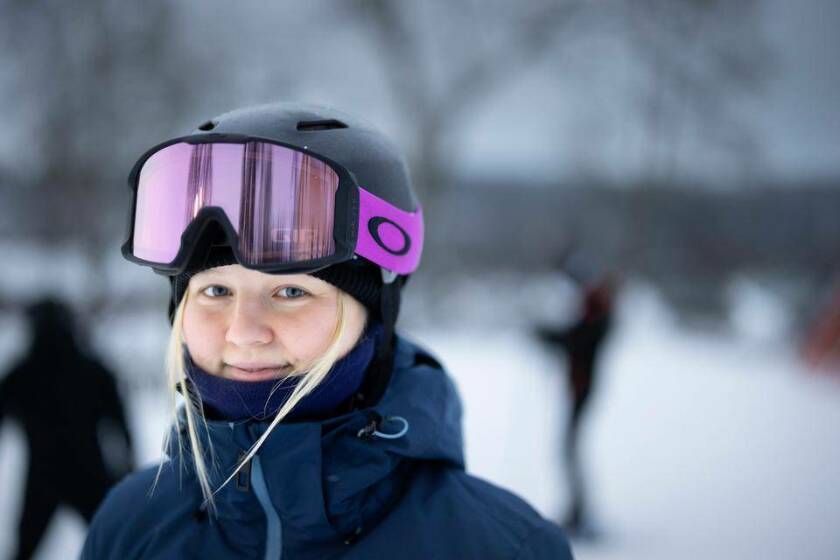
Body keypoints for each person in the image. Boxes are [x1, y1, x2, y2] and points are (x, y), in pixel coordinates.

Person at [82, 103, 574, 559]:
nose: (244, 333)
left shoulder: (503, 547)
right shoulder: (131, 526)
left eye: (290, 292)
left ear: (375, 313)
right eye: (215, 291)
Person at [0, 298, 134, 560]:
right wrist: (127, 466)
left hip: (42, 475)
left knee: (25, 549)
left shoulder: (23, 374)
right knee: (117, 545)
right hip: (88, 471)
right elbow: (120, 425)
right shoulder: (92, 371)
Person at [536, 262, 616, 536]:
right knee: (569, 449)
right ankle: (577, 509)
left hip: (583, 388)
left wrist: (547, 336)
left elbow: (578, 339)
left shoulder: (598, 307)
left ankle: (579, 511)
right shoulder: (595, 306)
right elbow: (575, 336)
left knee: (570, 449)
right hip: (579, 387)